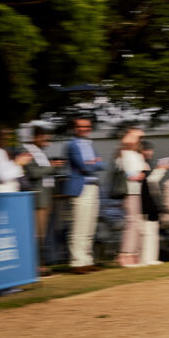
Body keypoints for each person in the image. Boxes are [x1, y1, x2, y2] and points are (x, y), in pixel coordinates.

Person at [65, 117, 104, 274]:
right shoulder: (72, 145)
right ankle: (77, 262)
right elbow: (83, 166)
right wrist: (94, 163)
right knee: (80, 226)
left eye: (87, 126)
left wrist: (93, 163)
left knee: (89, 227)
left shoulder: (90, 145)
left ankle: (87, 260)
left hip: (93, 187)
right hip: (81, 189)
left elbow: (102, 164)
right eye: (81, 126)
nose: (84, 129)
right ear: (75, 128)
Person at [24, 126, 63, 276]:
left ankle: (41, 265)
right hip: (38, 199)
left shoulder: (41, 153)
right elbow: (33, 173)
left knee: (42, 233)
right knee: (37, 234)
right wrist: (52, 167)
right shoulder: (29, 151)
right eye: (44, 138)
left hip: (46, 198)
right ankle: (37, 267)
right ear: (36, 137)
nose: (47, 141)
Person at [116, 129, 148, 267]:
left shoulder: (136, 155)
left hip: (137, 191)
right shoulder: (124, 154)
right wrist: (137, 175)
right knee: (132, 223)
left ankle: (133, 255)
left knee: (136, 223)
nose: (137, 141)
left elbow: (143, 171)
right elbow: (128, 174)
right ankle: (125, 255)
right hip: (129, 192)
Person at [138, 140, 168, 266]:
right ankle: (146, 259)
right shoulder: (141, 164)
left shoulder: (147, 164)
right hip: (145, 202)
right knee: (147, 231)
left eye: (150, 149)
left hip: (152, 202)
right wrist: (161, 170)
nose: (150, 152)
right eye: (147, 149)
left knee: (152, 231)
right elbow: (150, 182)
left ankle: (151, 258)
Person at [0, 127, 31, 192]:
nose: (9, 137)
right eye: (6, 135)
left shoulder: (1, 151)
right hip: (2, 193)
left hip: (9, 191)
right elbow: (3, 176)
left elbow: (15, 173)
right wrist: (17, 163)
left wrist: (19, 163)